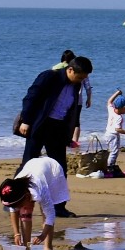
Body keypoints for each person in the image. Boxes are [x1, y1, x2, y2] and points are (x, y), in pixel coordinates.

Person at [15, 55, 90, 186]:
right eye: (80, 77)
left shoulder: (76, 84)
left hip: (58, 128)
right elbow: (30, 98)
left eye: (84, 78)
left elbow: (72, 108)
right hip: (39, 125)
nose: (81, 81)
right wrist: (26, 121)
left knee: (59, 167)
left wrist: (69, 132)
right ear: (70, 70)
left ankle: (59, 205)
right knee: (28, 163)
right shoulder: (49, 77)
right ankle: (15, 198)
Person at [0, 155, 70, 250]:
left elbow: (50, 215)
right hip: (32, 166)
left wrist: (42, 235)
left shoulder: (41, 188)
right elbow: (13, 210)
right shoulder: (15, 188)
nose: (18, 208)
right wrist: (16, 234)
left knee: (45, 211)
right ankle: (26, 247)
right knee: (25, 213)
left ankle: (48, 247)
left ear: (27, 197)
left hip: (52, 171)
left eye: (19, 205)